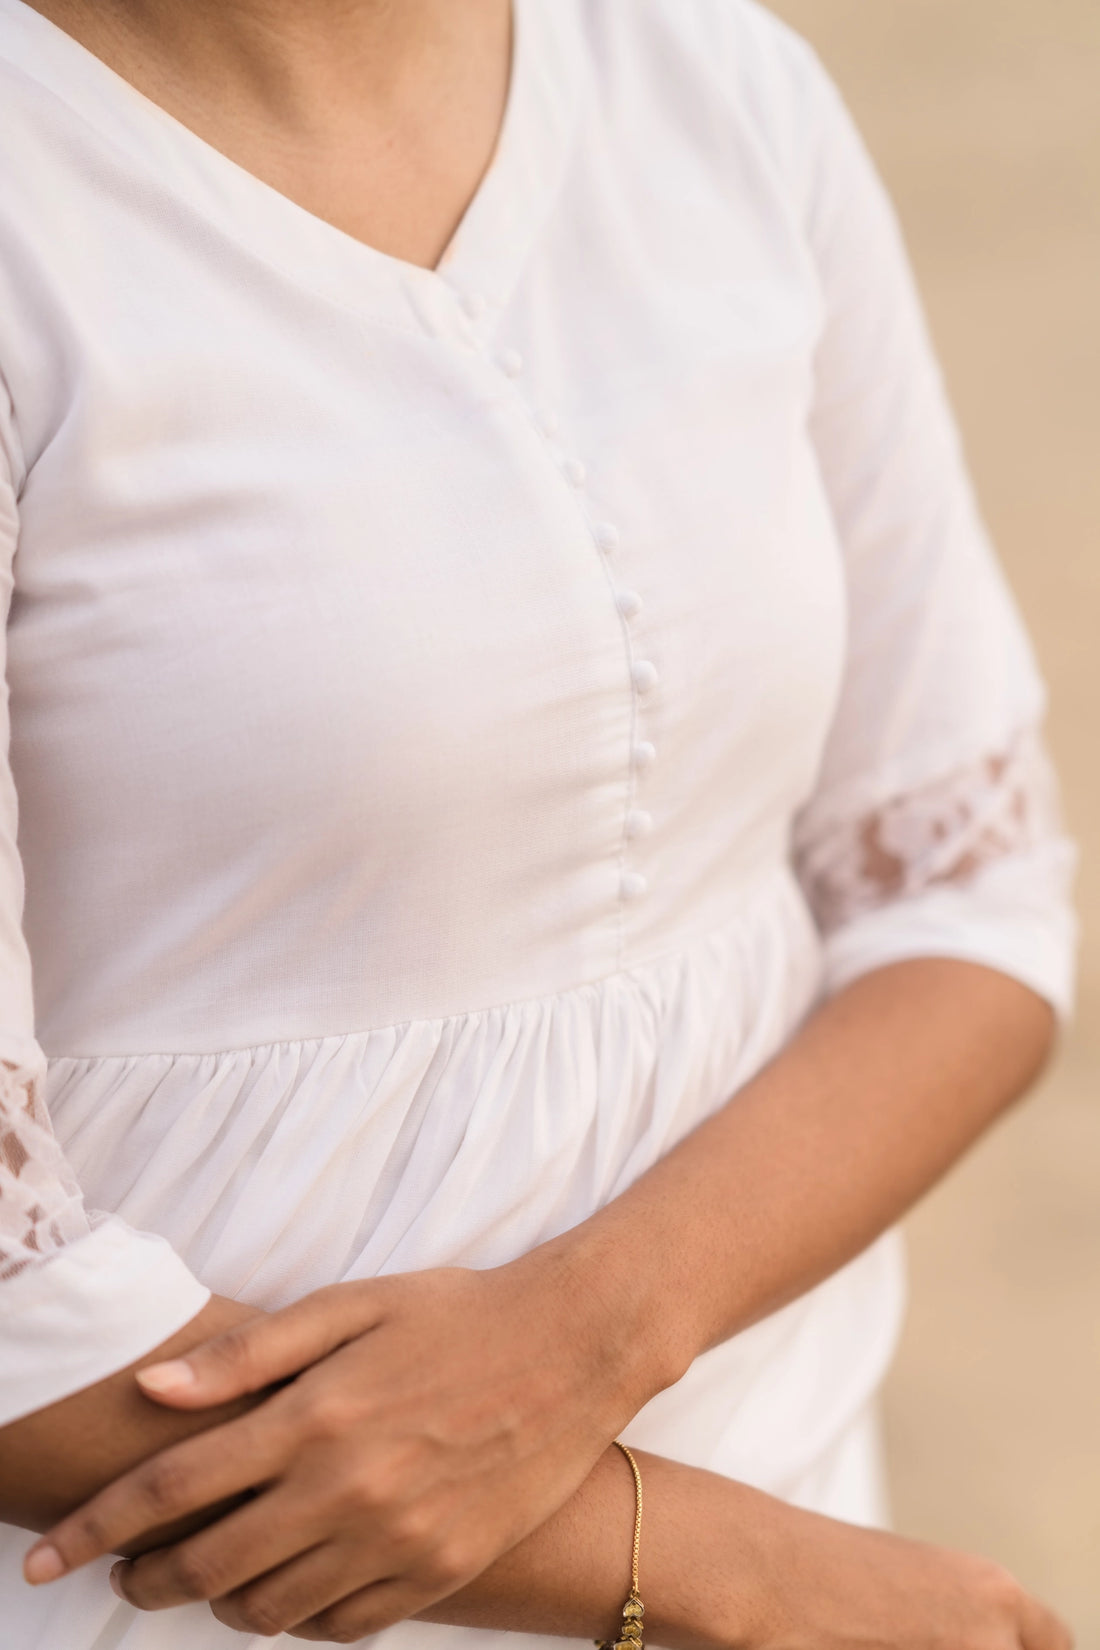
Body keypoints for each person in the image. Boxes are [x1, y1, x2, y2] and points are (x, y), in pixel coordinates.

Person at [0, 0, 1078, 1645]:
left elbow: (966, 900)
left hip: (795, 1497)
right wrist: (727, 1571)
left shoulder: (715, 85)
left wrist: (590, 1334)